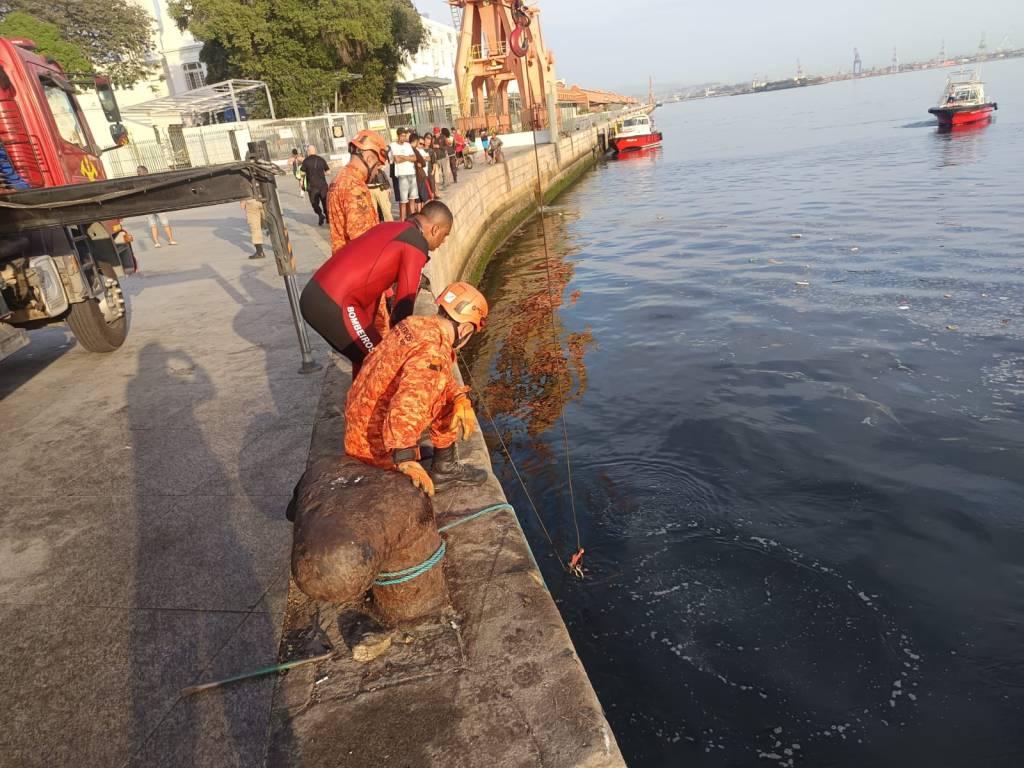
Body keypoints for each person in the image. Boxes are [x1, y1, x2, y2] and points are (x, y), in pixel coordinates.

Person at [344, 281, 490, 496]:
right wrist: (406, 458)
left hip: (358, 430)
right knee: (436, 393)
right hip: (375, 449)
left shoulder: (415, 325)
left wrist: (460, 397)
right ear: (467, 328)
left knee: (447, 392)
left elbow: (438, 377)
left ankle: (444, 465)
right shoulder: (433, 352)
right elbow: (409, 402)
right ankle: (445, 469)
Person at [299, 200, 454, 377]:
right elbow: (403, 307)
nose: (442, 242)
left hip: (317, 293)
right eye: (445, 235)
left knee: (365, 361)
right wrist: (406, 349)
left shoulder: (391, 227)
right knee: (383, 364)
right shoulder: (416, 244)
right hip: (336, 304)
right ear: (435, 229)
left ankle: (357, 402)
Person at [327, 129, 389, 252]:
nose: (377, 172)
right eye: (377, 166)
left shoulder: (339, 179)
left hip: (343, 261)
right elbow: (364, 240)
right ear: (370, 159)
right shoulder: (354, 187)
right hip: (358, 264)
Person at [136, 166, 177, 247]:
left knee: (153, 226)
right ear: (147, 171)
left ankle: (157, 243)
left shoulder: (137, 182)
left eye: (140, 172)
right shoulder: (153, 180)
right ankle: (171, 240)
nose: (141, 173)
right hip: (157, 205)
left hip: (149, 206)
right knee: (164, 224)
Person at [389, 127, 418, 221]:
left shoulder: (408, 145)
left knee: (412, 198)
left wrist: (402, 156)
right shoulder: (392, 146)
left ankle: (412, 219)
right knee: (403, 201)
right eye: (402, 136)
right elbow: (395, 160)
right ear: (398, 136)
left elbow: (414, 158)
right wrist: (407, 158)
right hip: (401, 175)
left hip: (411, 173)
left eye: (405, 136)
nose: (404, 138)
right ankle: (402, 221)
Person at [299, 144, 331, 226]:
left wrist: (301, 182)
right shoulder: (321, 160)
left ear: (308, 151)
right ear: (315, 150)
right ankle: (328, 217)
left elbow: (302, 173)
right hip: (323, 186)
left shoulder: (306, 161)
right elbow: (328, 172)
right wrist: (321, 173)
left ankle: (320, 215)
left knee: (314, 203)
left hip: (312, 187)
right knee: (325, 202)